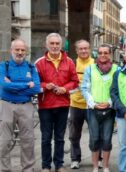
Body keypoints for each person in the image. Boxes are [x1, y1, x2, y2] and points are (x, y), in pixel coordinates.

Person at [35, 33, 79, 172]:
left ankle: (59, 165)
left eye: (57, 44)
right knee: (46, 138)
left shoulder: (70, 61)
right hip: (45, 105)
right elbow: (35, 83)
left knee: (60, 138)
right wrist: (44, 85)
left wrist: (64, 89)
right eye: (52, 43)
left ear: (61, 45)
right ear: (46, 45)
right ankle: (46, 166)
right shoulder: (39, 62)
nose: (54, 46)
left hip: (63, 104)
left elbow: (75, 82)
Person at [0, 39, 41, 172]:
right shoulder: (3, 66)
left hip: (26, 105)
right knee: (4, 141)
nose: (20, 52)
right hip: (6, 105)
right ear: (11, 50)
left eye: (22, 50)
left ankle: (28, 169)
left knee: (28, 141)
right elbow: (4, 86)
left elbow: (36, 89)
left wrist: (13, 85)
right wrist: (25, 85)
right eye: (17, 49)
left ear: (26, 52)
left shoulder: (31, 67)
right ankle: (4, 169)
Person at [81, 44, 118, 172]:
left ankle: (106, 166)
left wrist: (109, 102)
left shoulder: (116, 69)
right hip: (93, 109)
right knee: (94, 138)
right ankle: (95, 167)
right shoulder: (90, 69)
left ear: (110, 54)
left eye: (105, 52)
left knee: (107, 139)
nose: (103, 55)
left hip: (109, 109)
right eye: (100, 52)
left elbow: (118, 89)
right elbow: (84, 88)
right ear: (97, 54)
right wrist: (93, 103)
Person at [69, 40, 95, 169]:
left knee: (96, 134)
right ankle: (75, 159)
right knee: (74, 135)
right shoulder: (72, 64)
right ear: (77, 50)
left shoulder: (95, 64)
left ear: (89, 49)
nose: (84, 51)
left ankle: (98, 158)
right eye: (81, 49)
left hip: (92, 105)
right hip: (75, 104)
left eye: (86, 48)